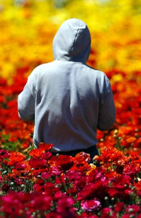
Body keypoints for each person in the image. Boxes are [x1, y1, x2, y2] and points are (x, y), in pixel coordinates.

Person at [17, 18, 116, 159]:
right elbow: (106, 123)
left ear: (57, 41)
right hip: (85, 159)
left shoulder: (40, 73)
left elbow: (24, 112)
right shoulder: (98, 78)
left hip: (46, 160)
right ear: (87, 46)